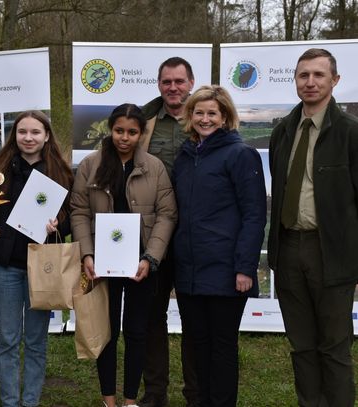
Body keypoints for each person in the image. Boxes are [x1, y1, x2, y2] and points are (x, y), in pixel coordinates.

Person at [71, 103, 178, 407]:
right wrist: (87, 255)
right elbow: (78, 211)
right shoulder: (91, 165)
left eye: (132, 132)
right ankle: (109, 399)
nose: (124, 137)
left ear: (141, 134)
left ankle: (131, 400)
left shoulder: (154, 167)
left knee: (136, 332)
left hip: (140, 264)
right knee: (106, 332)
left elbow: (167, 215)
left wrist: (150, 258)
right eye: (119, 130)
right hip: (101, 265)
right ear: (110, 129)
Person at [268, 48, 358, 406]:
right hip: (289, 249)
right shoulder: (283, 130)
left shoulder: (350, 132)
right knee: (301, 346)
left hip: (332, 253)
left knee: (334, 348)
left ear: (334, 81)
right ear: (295, 81)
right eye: (303, 75)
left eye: (319, 75)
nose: (310, 82)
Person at [172, 85, 266, 407]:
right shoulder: (184, 158)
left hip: (226, 272)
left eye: (212, 113)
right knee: (198, 346)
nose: (205, 118)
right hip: (190, 273)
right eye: (199, 112)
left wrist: (244, 268)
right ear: (190, 115)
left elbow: (254, 215)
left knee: (222, 348)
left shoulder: (241, 155)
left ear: (225, 116)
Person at [0, 110, 73, 407]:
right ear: (13, 135)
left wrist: (59, 225)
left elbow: (70, 218)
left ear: (46, 136)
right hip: (4, 267)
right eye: (22, 132)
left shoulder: (62, 172)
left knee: (35, 341)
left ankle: (29, 401)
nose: (28, 138)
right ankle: (9, 401)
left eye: (35, 132)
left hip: (41, 266)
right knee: (6, 340)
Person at [139, 57, 198, 407]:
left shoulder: (207, 117)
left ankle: (195, 395)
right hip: (152, 235)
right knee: (151, 317)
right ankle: (155, 395)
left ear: (190, 82)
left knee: (194, 319)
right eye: (166, 82)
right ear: (159, 84)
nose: (173, 88)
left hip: (194, 236)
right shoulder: (143, 120)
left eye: (179, 81)